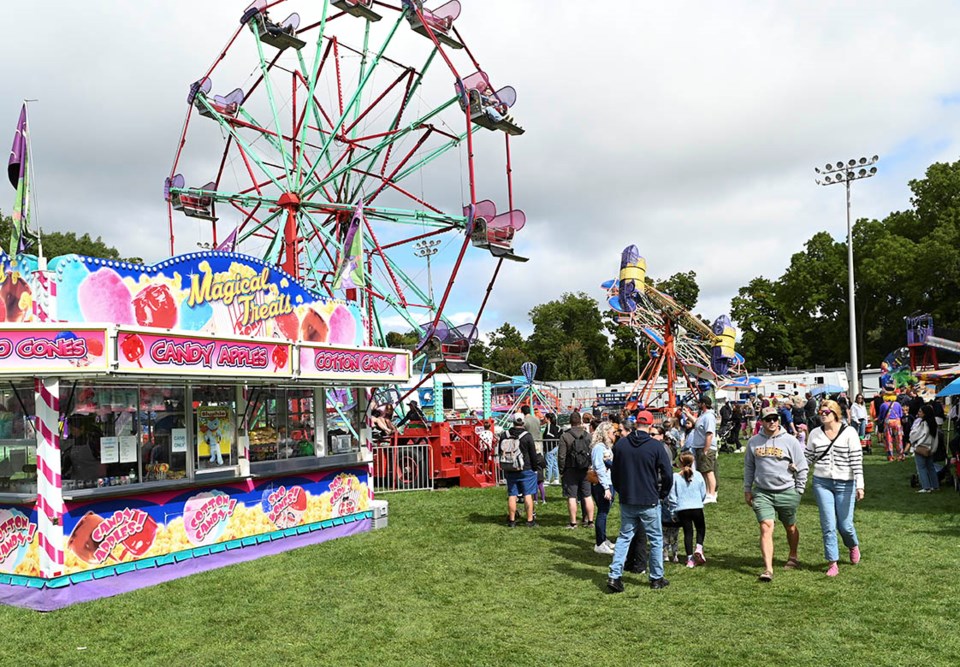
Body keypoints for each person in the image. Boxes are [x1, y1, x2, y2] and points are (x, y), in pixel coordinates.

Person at [606, 410, 674, 593]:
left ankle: (614, 575)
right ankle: (656, 577)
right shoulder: (655, 446)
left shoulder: (621, 445)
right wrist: (663, 493)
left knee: (624, 537)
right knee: (656, 539)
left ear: (636, 423)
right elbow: (668, 474)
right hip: (649, 498)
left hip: (628, 498)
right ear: (650, 425)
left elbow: (614, 472)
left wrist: (621, 490)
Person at [743, 406, 808, 583]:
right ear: (761, 421)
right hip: (763, 492)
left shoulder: (790, 441)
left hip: (787, 491)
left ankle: (793, 556)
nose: (772, 422)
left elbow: (802, 466)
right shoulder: (754, 442)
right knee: (766, 526)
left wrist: (799, 490)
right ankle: (768, 569)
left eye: (775, 418)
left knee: (790, 527)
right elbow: (749, 467)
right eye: (768, 419)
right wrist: (747, 489)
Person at [805, 399, 864, 577]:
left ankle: (852, 545)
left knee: (845, 525)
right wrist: (796, 471)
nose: (822, 415)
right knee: (828, 524)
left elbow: (856, 460)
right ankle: (832, 562)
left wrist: (859, 485)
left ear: (835, 413)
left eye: (826, 412)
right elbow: (808, 458)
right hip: (822, 483)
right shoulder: (815, 433)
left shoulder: (850, 432)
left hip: (846, 482)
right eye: (821, 412)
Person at [498, 413, 538, 527]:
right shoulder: (527, 436)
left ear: (513, 422)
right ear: (523, 422)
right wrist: (535, 468)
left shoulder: (504, 435)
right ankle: (530, 520)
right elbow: (533, 454)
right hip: (526, 468)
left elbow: (500, 452)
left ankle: (512, 520)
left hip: (510, 468)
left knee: (512, 494)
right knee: (527, 494)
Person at [668, 452, 707, 568]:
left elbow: (672, 496)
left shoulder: (675, 477)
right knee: (701, 528)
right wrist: (699, 500)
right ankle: (699, 547)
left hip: (683, 509)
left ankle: (690, 559)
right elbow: (703, 492)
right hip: (697, 507)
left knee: (688, 533)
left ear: (680, 463)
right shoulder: (698, 475)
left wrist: (672, 511)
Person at [558, 411, 595, 529]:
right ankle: (590, 521)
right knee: (588, 496)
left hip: (570, 469)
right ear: (580, 421)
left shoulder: (565, 436)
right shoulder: (588, 435)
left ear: (570, 422)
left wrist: (561, 470)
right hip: (585, 469)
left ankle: (573, 522)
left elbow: (561, 456)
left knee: (572, 497)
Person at [590, 421, 617, 555]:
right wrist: (606, 488)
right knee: (602, 512)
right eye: (612, 432)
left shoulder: (606, 447)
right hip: (602, 484)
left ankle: (603, 539)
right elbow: (599, 468)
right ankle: (599, 543)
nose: (614, 435)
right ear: (605, 433)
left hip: (608, 482)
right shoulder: (599, 448)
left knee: (605, 512)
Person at [691, 397, 718, 503]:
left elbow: (709, 433)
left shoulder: (709, 416)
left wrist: (705, 450)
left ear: (703, 404)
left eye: (699, 403)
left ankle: (711, 494)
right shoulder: (703, 415)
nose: (697, 404)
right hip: (700, 447)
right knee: (703, 471)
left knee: (708, 471)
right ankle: (707, 493)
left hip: (706, 447)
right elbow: (697, 423)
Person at [911, 403, 939, 493]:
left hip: (922, 447)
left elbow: (918, 434)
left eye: (920, 411)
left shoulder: (923, 423)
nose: (919, 413)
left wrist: (913, 439)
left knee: (922, 468)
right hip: (931, 448)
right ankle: (935, 486)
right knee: (931, 467)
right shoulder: (933, 423)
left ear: (925, 413)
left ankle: (926, 487)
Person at [877, 393, 905, 461]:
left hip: (888, 422)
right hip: (897, 422)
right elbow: (901, 415)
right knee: (899, 439)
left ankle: (890, 456)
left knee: (888, 440)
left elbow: (881, 416)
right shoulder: (898, 404)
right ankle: (900, 455)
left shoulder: (883, 405)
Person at [542, 412, 561, 485]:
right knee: (554, 463)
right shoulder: (557, 427)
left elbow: (549, 436)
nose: (544, 419)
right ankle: (556, 478)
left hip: (550, 447)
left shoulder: (549, 426)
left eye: (545, 418)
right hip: (556, 447)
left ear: (548, 419)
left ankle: (547, 479)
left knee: (549, 463)